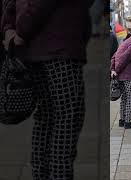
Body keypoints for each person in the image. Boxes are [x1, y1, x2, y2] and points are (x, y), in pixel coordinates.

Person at [1, 0, 93, 179]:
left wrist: (9, 27)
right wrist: (20, 29)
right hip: (57, 45)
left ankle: (41, 174)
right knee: (67, 117)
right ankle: (57, 175)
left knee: (47, 116)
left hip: (42, 43)